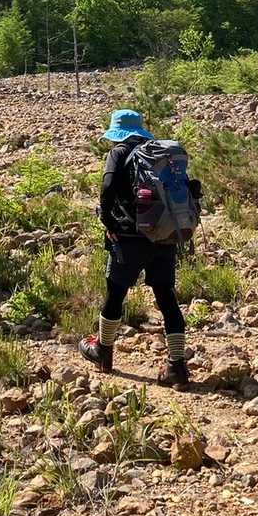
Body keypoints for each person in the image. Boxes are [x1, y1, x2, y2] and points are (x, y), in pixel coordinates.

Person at [79, 109, 194, 389]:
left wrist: (108, 222)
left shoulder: (118, 153)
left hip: (128, 237)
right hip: (163, 235)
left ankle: (103, 351)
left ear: (117, 132)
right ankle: (177, 367)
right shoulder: (159, 155)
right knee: (166, 297)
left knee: (115, 293)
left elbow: (107, 187)